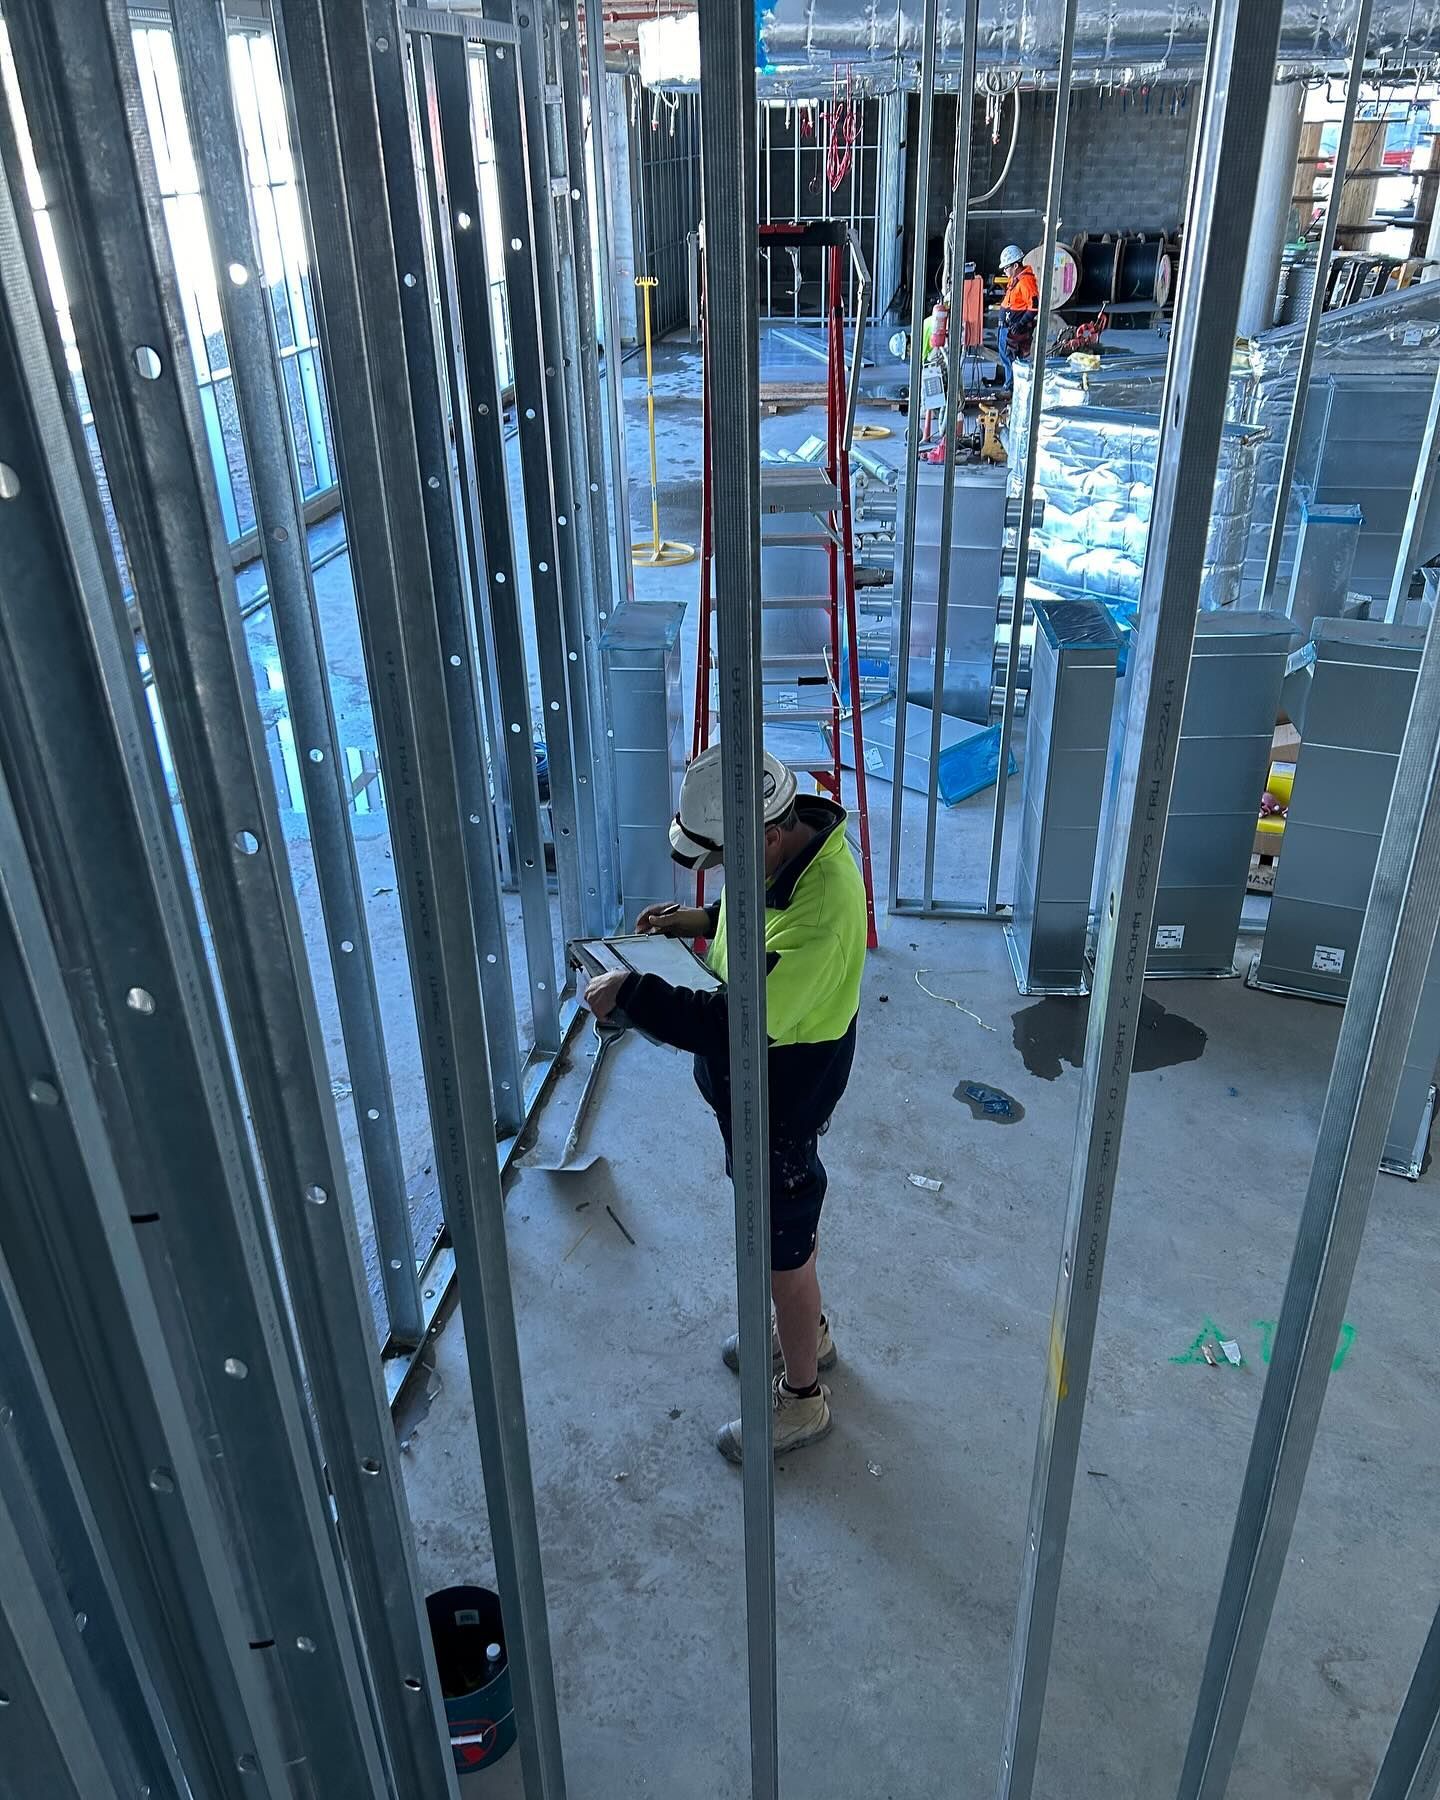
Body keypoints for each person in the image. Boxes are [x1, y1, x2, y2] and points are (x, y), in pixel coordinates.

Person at [582, 745, 866, 1465]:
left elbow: (732, 1022)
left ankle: (803, 1400)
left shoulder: (823, 914)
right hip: (759, 1097)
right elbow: (751, 913)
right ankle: (812, 1331)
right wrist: (696, 920)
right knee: (786, 1244)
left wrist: (633, 994)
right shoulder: (782, 851)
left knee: (781, 1258)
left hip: (781, 1107)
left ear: (766, 832)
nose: (716, 871)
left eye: (720, 859)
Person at [994, 243, 1038, 390]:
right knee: (1006, 359)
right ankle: (1010, 386)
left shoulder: (1026, 281)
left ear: (1015, 265)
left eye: (1006, 267)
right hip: (1006, 328)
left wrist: (1020, 324)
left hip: (1014, 330)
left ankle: (1012, 388)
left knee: (1012, 360)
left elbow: (1034, 306)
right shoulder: (1016, 280)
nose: (1005, 271)